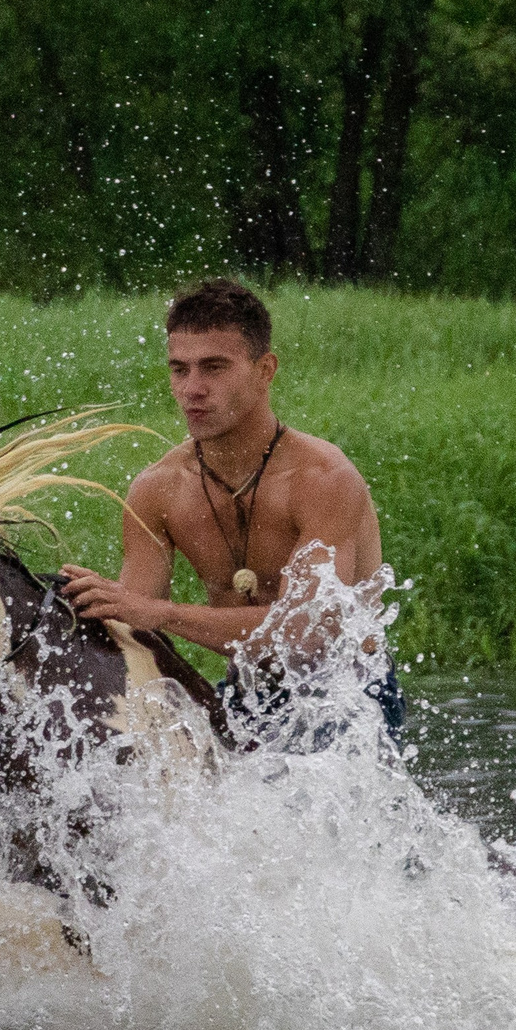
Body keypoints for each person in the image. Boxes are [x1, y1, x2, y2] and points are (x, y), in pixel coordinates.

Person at [57, 277, 402, 738]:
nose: (192, 389)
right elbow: (131, 624)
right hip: (244, 692)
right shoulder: (157, 489)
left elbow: (309, 635)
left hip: (344, 693)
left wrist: (157, 612)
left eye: (214, 368)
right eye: (179, 370)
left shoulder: (322, 479)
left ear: (265, 371)